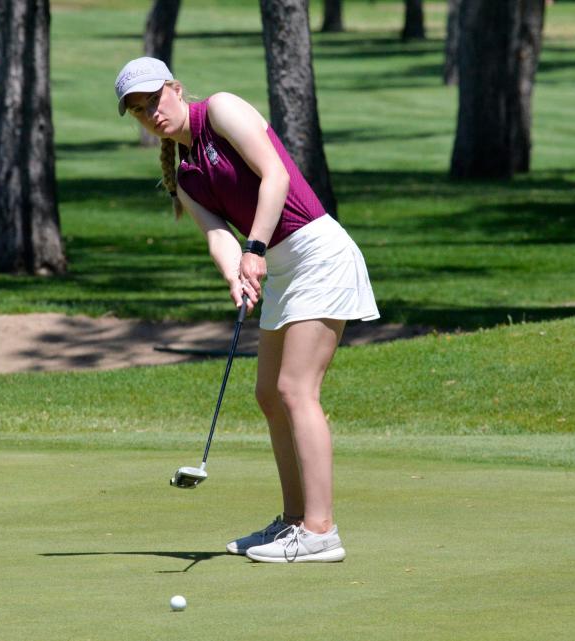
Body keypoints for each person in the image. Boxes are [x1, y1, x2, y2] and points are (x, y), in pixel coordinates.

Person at [115, 57, 379, 563]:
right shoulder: (186, 178)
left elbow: (275, 176)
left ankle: (321, 531)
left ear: (174, 88)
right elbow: (218, 236)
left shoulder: (221, 110)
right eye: (139, 112)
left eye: (154, 101)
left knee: (295, 389)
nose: (152, 115)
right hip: (279, 265)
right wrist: (237, 273)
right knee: (267, 394)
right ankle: (294, 522)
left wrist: (254, 249)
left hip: (317, 252)